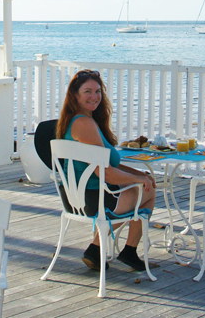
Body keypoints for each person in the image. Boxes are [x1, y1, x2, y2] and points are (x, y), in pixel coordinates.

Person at [55, 69, 157, 272]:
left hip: (77, 196)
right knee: (148, 190)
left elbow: (109, 165)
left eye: (98, 91)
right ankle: (112, 249)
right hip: (91, 200)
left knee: (146, 182)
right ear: (75, 95)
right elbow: (105, 173)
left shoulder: (79, 120)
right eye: (87, 91)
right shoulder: (84, 123)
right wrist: (138, 181)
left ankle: (101, 250)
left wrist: (139, 175)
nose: (94, 97)